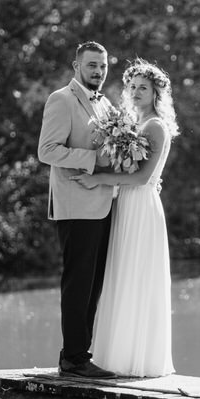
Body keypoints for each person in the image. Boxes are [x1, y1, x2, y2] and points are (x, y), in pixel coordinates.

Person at [72, 59, 180, 377]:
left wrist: (98, 179)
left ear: (156, 93)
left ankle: (138, 360)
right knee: (121, 277)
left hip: (141, 207)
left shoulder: (156, 126)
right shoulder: (133, 125)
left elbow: (143, 179)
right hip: (125, 206)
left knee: (137, 277)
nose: (135, 92)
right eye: (131, 87)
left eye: (142, 88)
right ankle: (116, 358)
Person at [37, 41, 118, 379]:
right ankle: (72, 358)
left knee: (94, 284)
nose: (98, 71)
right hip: (75, 206)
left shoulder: (106, 104)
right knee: (78, 283)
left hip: (102, 204)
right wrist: (91, 160)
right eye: (91, 65)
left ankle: (80, 355)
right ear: (76, 66)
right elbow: (47, 150)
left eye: (102, 65)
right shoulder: (62, 100)